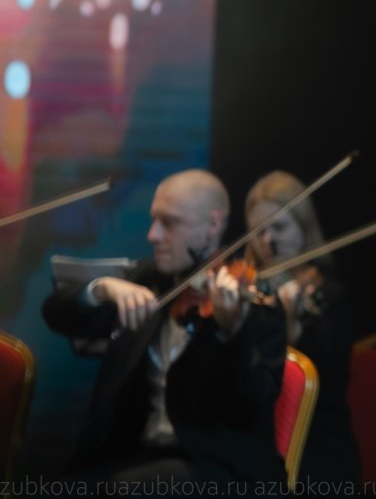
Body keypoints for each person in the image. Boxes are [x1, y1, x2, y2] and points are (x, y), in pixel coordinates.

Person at [41, 169, 288, 488]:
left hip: (215, 468)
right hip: (137, 456)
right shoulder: (151, 281)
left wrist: (232, 331)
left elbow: (250, 404)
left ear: (213, 224)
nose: (153, 235)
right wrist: (102, 289)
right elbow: (56, 314)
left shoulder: (254, 304)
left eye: (169, 223)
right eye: (154, 220)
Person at [243, 170, 361, 484]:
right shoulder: (248, 290)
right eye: (258, 231)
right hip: (255, 437)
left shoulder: (328, 296)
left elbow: (327, 383)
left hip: (317, 438)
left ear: (304, 226)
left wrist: (291, 325)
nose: (268, 241)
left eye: (280, 227)